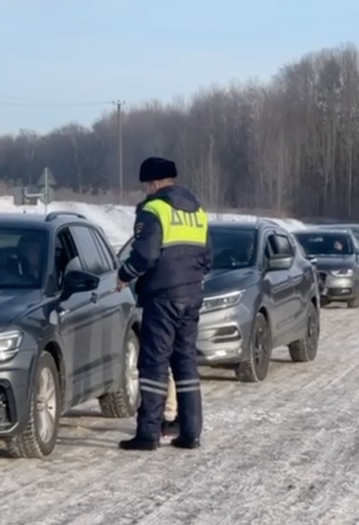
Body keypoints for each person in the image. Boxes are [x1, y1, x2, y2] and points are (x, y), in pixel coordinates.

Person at [116, 156, 211, 451]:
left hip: (162, 296)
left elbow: (145, 255)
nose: (146, 189)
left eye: (146, 183)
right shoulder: (197, 211)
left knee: (154, 364)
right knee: (185, 364)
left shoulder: (153, 209)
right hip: (192, 295)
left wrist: (124, 274)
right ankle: (190, 432)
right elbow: (208, 258)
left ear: (154, 182)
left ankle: (148, 433)